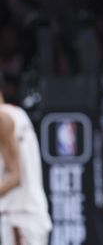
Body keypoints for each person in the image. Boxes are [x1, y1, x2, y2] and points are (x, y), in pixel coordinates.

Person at [0, 71, 52, 245]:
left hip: (19, 216)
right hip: (29, 215)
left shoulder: (3, 118)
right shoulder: (17, 112)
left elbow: (14, 176)